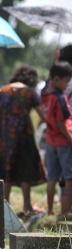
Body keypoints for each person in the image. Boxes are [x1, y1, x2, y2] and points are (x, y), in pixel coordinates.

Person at [0, 66, 46, 214]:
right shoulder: (30, 93)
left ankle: (5, 206)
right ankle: (27, 206)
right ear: (32, 80)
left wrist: (2, 124)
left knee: (6, 170)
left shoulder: (2, 91)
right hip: (24, 137)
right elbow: (43, 116)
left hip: (4, 138)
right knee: (25, 169)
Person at [41, 61, 72, 215]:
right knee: (69, 176)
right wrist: (70, 138)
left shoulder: (45, 92)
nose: (67, 85)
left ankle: (50, 209)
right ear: (58, 79)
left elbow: (49, 79)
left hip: (50, 140)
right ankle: (68, 211)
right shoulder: (60, 98)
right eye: (66, 81)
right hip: (63, 141)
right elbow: (61, 123)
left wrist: (54, 60)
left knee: (52, 177)